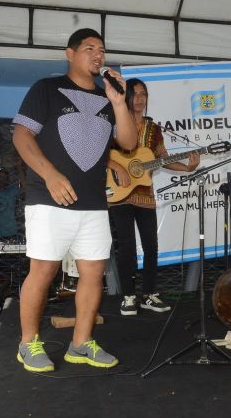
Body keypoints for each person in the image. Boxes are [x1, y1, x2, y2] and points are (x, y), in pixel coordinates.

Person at [11, 28, 137, 373]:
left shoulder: (108, 98)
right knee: (44, 270)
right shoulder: (46, 89)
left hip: (94, 203)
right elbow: (21, 136)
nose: (98, 55)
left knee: (94, 272)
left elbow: (127, 142)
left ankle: (81, 343)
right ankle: (28, 343)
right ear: (70, 53)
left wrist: (118, 101)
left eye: (102, 50)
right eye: (89, 48)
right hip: (48, 199)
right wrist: (50, 175)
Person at [108, 78, 200, 316]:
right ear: (126, 96)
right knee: (126, 246)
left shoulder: (154, 129)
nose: (140, 99)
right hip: (118, 194)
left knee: (151, 246)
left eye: (144, 94)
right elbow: (100, 155)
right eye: (135, 94)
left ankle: (149, 294)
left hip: (145, 195)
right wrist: (118, 168)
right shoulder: (113, 122)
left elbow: (162, 158)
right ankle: (128, 296)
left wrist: (188, 168)